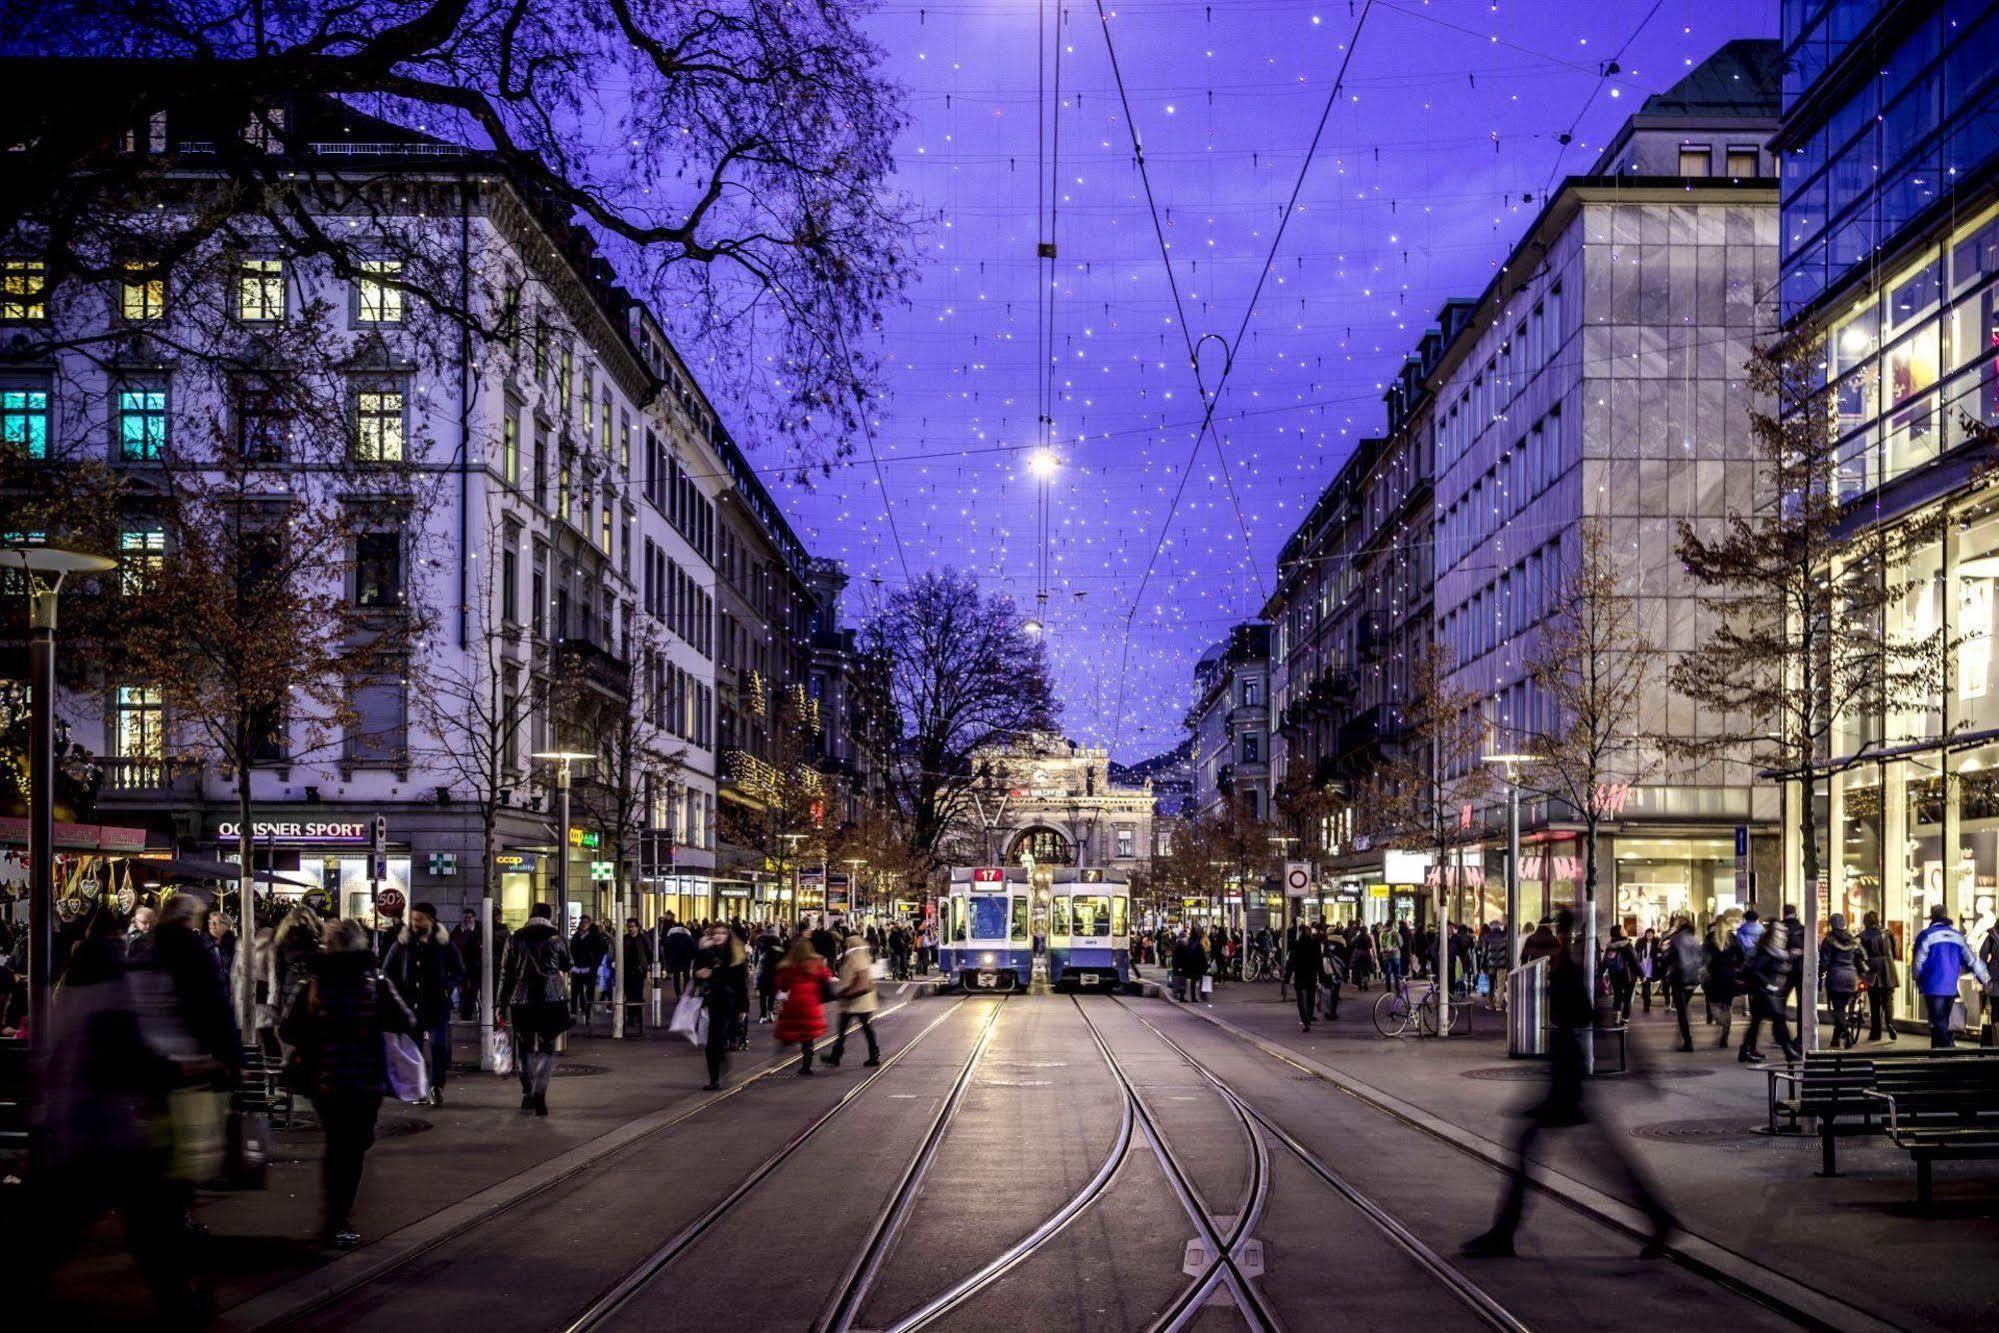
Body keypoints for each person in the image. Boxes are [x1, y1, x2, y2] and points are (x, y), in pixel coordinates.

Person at [1463, 909, 1675, 1260]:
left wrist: (1635, 1063)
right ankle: (1658, 1220)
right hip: (1564, 1073)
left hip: (1567, 1076)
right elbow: (1591, 1014)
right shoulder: (1568, 964)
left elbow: (1592, 1014)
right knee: (1597, 1158)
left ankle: (1504, 1234)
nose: (1555, 933)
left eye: (1559, 928)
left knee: (1571, 1155)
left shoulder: (1572, 968)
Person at [280, 918, 416, 1249]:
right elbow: (406, 1019)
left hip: (323, 1080)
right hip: (364, 1077)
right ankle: (339, 1217)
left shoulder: (312, 983)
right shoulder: (374, 983)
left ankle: (334, 1217)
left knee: (338, 1143)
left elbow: (288, 1029)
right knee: (353, 1147)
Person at [381, 902, 464, 1107]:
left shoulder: (445, 944)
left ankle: (436, 1087)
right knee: (413, 1049)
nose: (415, 923)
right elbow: (387, 970)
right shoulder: (402, 943)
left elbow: (460, 970)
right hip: (411, 1006)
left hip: (437, 1004)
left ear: (431, 920)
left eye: (419, 919)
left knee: (438, 1047)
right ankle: (417, 1088)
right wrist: (398, 993)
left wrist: (446, 985)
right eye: (413, 918)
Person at [498, 903, 572, 1115]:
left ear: (531, 916)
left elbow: (505, 974)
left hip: (522, 1000)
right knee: (548, 1046)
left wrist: (499, 1005)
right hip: (552, 999)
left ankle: (527, 1092)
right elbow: (568, 964)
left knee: (526, 1048)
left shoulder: (515, 939)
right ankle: (541, 1089)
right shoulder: (558, 939)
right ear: (550, 917)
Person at [1911, 904, 1990, 1048]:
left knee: (1938, 1022)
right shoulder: (1957, 936)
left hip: (1932, 987)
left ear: (1932, 918)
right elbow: (1971, 960)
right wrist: (1985, 978)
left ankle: (1949, 1048)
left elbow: (1918, 962)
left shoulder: (1926, 935)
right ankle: (1939, 1055)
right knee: (1942, 1021)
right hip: (1951, 988)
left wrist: (1917, 979)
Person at [693, 924, 749, 1089]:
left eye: (723, 933)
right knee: (713, 1041)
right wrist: (698, 974)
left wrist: (744, 1007)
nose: (719, 936)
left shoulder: (736, 956)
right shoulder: (706, 953)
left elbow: (740, 984)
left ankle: (723, 1057)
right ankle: (714, 1079)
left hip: (730, 1002)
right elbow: (696, 974)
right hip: (714, 1002)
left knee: (723, 1038)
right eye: (716, 933)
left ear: (728, 935)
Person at [1739, 919, 1800, 1064]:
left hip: (1769, 993)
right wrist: (1769, 985)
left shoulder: (1777, 952)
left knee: (1756, 1023)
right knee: (1778, 1020)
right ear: (1773, 935)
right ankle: (1787, 1049)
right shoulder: (1766, 952)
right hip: (1765, 993)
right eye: (1780, 933)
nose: (1783, 936)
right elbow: (1756, 971)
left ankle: (1745, 1050)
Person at [774, 936, 831, 1074]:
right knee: (808, 1037)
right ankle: (807, 1065)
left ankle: (788, 1042)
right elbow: (826, 978)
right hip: (811, 1005)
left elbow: (781, 984)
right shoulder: (817, 965)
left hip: (794, 1004)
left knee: (790, 1027)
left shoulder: (789, 966)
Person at [827, 931, 881, 1067]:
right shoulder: (861, 956)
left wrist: (843, 992)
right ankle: (872, 1054)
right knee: (861, 1028)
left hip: (856, 1000)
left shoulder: (855, 958)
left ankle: (837, 1055)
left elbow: (855, 980)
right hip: (859, 1001)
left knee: (850, 1029)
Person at [1819, 915, 1864, 1050]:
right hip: (1852, 978)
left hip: (1836, 977)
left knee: (1838, 1010)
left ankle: (1846, 1033)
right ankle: (1835, 1039)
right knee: (1842, 1009)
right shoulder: (1853, 939)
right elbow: (1862, 957)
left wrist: (1820, 973)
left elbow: (1824, 962)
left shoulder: (1828, 941)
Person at [1661, 918, 1704, 1052]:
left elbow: (1668, 958)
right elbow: (1701, 959)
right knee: (1684, 1008)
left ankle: (1687, 1041)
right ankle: (1684, 1037)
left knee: (1682, 1011)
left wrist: (1663, 955)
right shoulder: (1695, 939)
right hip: (1694, 978)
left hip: (1680, 978)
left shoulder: (1677, 940)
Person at [1859, 911, 1900, 1042]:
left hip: (1873, 969)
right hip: (1888, 968)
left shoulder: (1863, 936)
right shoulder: (1888, 933)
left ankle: (1875, 1032)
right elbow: (1895, 952)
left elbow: (1860, 954)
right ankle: (1890, 1023)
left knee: (1874, 1002)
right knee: (1888, 999)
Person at [1701, 919, 1740, 1048]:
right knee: (1727, 1007)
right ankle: (1725, 1035)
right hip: (1729, 975)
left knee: (1713, 1004)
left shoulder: (1709, 938)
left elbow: (1704, 956)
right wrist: (1736, 967)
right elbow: (1741, 956)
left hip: (1714, 975)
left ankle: (1721, 1022)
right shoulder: (1732, 938)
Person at [569, 915, 607, 1024]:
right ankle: (574, 1014)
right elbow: (571, 949)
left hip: (590, 968)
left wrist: (595, 965)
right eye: (582, 922)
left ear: (590, 923)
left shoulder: (595, 936)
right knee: (575, 992)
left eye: (586, 922)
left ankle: (588, 1014)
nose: (583, 924)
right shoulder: (576, 935)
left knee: (589, 992)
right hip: (577, 968)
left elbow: (602, 951)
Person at [1286, 923, 1323, 1032]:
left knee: (1300, 999)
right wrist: (1321, 975)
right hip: (1311, 975)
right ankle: (1308, 1017)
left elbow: (1292, 961)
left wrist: (1287, 977)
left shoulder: (1297, 944)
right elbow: (1318, 960)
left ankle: (1305, 1020)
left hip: (1300, 974)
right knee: (1310, 998)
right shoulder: (1315, 944)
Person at [620, 917, 653, 1034]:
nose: (630, 929)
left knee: (638, 993)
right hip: (627, 970)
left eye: (632, 926)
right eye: (628, 926)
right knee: (628, 994)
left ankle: (637, 1016)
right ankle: (631, 1016)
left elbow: (649, 953)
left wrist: (648, 968)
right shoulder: (624, 938)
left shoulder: (643, 938)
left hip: (639, 971)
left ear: (637, 927)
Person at [449, 909, 482, 1021]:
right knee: (465, 997)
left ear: (474, 918)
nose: (467, 920)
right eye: (465, 917)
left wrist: (470, 932)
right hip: (463, 970)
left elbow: (477, 947)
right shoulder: (458, 930)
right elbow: (453, 944)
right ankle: (465, 1019)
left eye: (469, 917)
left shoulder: (479, 930)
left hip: (476, 969)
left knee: (475, 995)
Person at [1601, 925, 1638, 1022]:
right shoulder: (1627, 945)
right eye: (1623, 929)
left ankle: (1616, 1017)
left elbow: (1605, 962)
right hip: (1628, 976)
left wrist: (1599, 974)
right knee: (1627, 998)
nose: (1625, 931)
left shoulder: (1610, 946)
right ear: (1621, 932)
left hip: (1614, 975)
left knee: (1617, 996)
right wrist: (1642, 975)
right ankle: (1624, 1019)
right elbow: (1635, 961)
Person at [662, 915, 695, 998]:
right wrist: (692, 956)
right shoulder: (687, 935)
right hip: (686, 959)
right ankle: (685, 993)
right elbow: (693, 947)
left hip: (675, 959)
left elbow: (666, 947)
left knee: (676, 977)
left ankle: (678, 994)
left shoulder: (671, 936)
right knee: (686, 976)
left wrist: (667, 958)